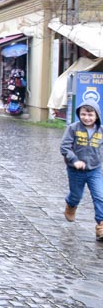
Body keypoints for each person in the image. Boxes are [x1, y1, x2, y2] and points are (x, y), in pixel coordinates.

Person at [59, 99, 103, 242]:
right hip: (76, 170)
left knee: (100, 196)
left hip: (94, 170)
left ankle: (101, 226)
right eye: (84, 114)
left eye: (90, 115)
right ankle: (71, 204)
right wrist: (74, 160)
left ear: (97, 116)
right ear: (79, 114)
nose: (87, 118)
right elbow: (64, 147)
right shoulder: (73, 128)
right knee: (76, 195)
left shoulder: (101, 131)